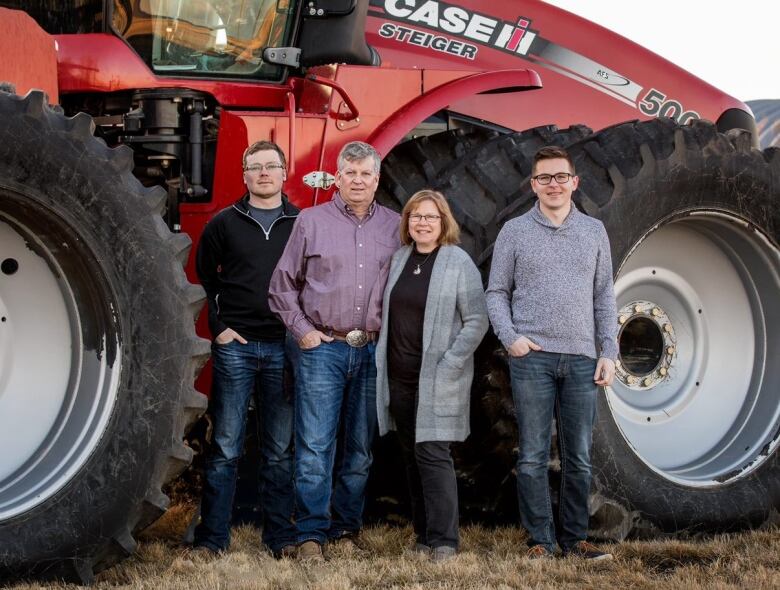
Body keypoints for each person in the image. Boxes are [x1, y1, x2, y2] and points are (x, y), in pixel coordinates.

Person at [268, 141, 400, 560]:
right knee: (314, 445)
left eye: (365, 174)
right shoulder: (311, 221)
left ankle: (345, 532)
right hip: (322, 348)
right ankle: (310, 535)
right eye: (350, 173)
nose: (357, 181)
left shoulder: (396, 226)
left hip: (372, 351)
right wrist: (303, 331)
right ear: (337, 178)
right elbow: (281, 285)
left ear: (376, 180)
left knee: (360, 449)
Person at [485, 146, 618, 560]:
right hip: (532, 358)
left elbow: (604, 298)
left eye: (561, 177)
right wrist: (512, 339)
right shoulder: (514, 231)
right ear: (533, 185)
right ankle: (540, 541)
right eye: (544, 178)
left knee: (578, 456)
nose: (553, 184)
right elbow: (496, 292)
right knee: (533, 456)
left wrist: (608, 351)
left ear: (574, 183)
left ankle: (575, 539)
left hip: (581, 358)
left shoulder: (594, 231)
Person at [193, 140, 299, 557]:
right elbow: (205, 279)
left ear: (284, 172)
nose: (263, 174)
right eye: (255, 168)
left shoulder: (301, 223)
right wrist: (219, 328)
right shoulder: (224, 223)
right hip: (236, 348)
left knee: (278, 451)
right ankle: (212, 539)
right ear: (244, 176)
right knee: (224, 448)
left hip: (283, 348)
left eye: (271, 166)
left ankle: (281, 538)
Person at [375, 190, 488, 562]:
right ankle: (423, 538)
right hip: (400, 377)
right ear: (407, 223)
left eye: (430, 217)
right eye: (415, 216)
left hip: (438, 378)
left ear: (444, 223)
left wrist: (452, 361)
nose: (422, 223)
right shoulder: (399, 259)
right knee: (411, 457)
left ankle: (444, 541)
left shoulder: (457, 261)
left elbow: (477, 319)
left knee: (434, 455)